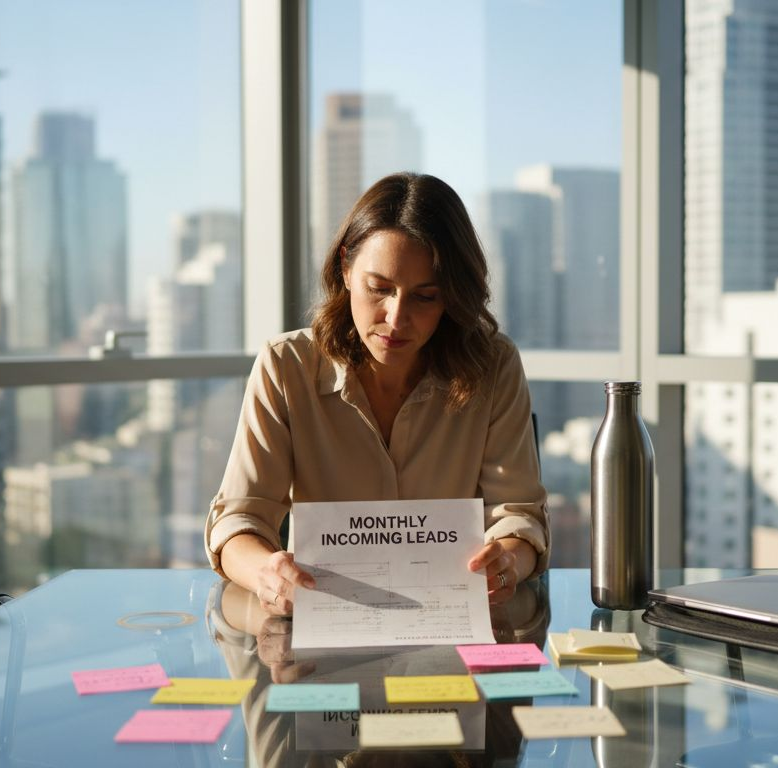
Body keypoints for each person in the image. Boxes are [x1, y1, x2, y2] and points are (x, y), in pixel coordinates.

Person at [204, 171, 549, 616]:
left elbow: (519, 516)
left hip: (449, 628)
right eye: (379, 289)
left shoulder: (493, 366)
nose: (397, 317)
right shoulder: (286, 366)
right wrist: (266, 573)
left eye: (425, 297)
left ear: (452, 298)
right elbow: (238, 520)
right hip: (320, 626)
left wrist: (506, 561)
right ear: (345, 268)